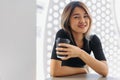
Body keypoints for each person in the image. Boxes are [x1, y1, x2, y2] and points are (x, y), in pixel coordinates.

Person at [50, 1, 108, 77]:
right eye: (76, 17)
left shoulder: (93, 39)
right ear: (67, 21)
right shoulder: (63, 35)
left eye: (85, 16)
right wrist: (82, 70)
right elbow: (55, 71)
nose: (82, 21)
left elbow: (104, 71)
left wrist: (80, 53)